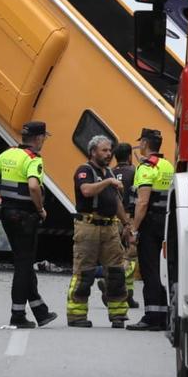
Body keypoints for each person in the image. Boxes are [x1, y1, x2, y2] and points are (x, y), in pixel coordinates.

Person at [0, 121, 58, 329]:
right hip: (26, 217)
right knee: (23, 266)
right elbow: (33, 186)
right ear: (39, 138)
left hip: (6, 214)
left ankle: (40, 311)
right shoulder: (34, 159)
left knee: (23, 261)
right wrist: (40, 209)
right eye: (44, 138)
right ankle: (18, 315)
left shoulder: (9, 153)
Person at [66, 135, 131, 328]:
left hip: (110, 228)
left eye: (110, 150)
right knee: (84, 272)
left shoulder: (109, 172)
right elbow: (86, 191)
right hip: (88, 227)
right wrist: (108, 182)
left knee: (117, 272)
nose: (109, 154)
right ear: (93, 152)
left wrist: (126, 224)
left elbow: (117, 202)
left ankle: (118, 315)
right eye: (104, 150)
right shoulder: (84, 171)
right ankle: (77, 316)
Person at [127, 128, 175, 332]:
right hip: (166, 222)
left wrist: (134, 229)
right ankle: (163, 315)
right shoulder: (167, 165)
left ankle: (151, 316)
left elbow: (143, 201)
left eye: (141, 142)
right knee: (163, 269)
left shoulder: (146, 167)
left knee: (150, 269)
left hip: (149, 224)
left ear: (145, 144)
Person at [110, 142, 139, 308]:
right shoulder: (134, 172)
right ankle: (115, 288)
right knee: (131, 256)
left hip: (113, 219)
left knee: (115, 256)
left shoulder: (110, 173)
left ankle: (126, 294)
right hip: (128, 218)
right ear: (129, 156)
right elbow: (137, 198)